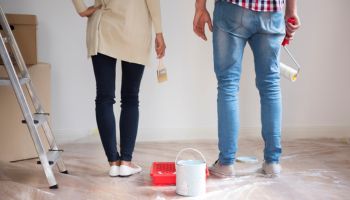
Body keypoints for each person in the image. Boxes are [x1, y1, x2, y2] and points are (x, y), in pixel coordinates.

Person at [193, 0, 300, 177]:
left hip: (232, 8)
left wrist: (200, 7)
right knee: (271, 85)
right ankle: (272, 163)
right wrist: (291, 10)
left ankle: (226, 164)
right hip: (271, 11)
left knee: (228, 84)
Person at [72, 0, 166, 177]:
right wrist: (159, 32)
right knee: (130, 98)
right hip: (134, 28)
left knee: (104, 98)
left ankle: (113, 163)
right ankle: (126, 162)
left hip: (102, 27)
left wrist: (81, 9)